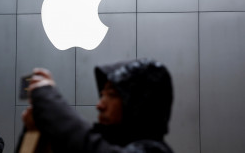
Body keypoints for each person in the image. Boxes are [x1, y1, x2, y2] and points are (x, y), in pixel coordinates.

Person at [21, 58, 174, 153]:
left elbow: (87, 145)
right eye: (102, 95)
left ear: (140, 104)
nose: (99, 105)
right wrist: (34, 129)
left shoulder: (153, 150)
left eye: (112, 95)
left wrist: (46, 97)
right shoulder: (110, 142)